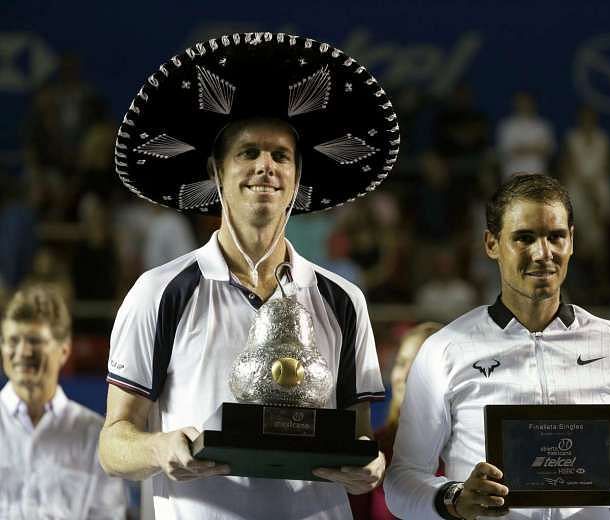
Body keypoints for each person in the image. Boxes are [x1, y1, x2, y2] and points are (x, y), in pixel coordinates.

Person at [97, 32, 400, 520]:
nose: (266, 166)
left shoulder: (343, 298)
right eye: (248, 153)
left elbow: (356, 432)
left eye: (281, 155)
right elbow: (113, 445)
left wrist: (369, 464)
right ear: (217, 173)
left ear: (299, 179)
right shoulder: (159, 292)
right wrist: (159, 449)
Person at [385, 174, 610, 520]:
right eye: (525, 238)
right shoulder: (444, 350)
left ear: (572, 241)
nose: (543, 253)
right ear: (492, 244)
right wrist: (454, 498)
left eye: (556, 236)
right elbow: (401, 480)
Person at [0, 284, 127, 519]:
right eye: (13, 340)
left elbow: (109, 515)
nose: (23, 351)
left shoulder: (93, 436)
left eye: (35, 341)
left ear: (65, 351)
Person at [350, 322, 443, 519]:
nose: (406, 374)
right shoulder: (375, 448)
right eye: (401, 362)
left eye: (420, 364)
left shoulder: (468, 450)